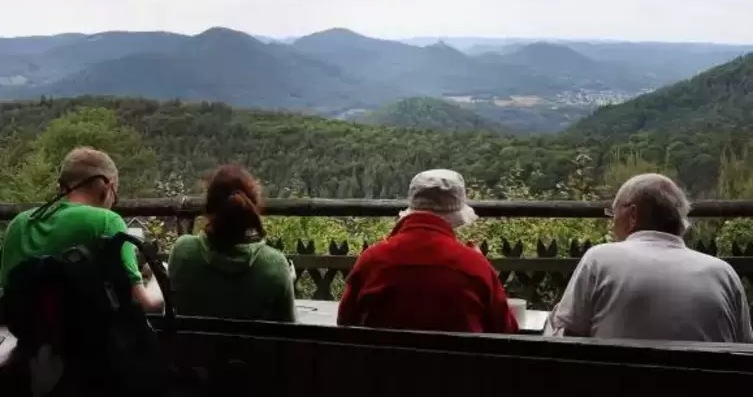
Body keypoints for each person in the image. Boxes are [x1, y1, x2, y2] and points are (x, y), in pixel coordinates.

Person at [550, 173, 753, 342]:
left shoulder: (600, 259)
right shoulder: (724, 274)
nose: (612, 223)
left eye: (613, 213)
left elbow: (568, 341)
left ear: (633, 215)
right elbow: (744, 348)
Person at [337, 169, 519, 334]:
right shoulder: (475, 265)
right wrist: (483, 266)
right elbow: (506, 331)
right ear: (456, 216)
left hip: (380, 369)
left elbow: (344, 323)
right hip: (460, 370)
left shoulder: (371, 260)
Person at [0, 147, 163, 312]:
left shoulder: (19, 223)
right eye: (115, 195)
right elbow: (144, 303)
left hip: (26, 334)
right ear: (108, 187)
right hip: (88, 336)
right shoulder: (107, 221)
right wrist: (158, 277)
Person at [167, 164, 296, 322]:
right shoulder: (274, 266)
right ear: (252, 209)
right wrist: (286, 279)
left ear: (208, 208)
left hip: (193, 347)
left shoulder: (183, 252)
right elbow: (289, 329)